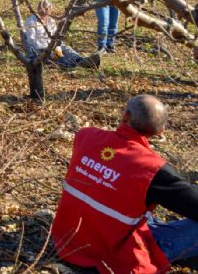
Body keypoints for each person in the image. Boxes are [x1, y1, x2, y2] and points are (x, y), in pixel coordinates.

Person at [50, 95, 198, 272]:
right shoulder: (152, 169)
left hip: (66, 242)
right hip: (114, 255)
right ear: (161, 131)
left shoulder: (85, 136)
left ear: (125, 116)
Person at [23, 0, 101, 69]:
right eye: (41, 8)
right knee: (58, 57)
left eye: (46, 8)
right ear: (37, 9)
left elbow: (56, 36)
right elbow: (31, 41)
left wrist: (57, 46)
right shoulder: (31, 22)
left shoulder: (51, 21)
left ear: (50, 9)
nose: (43, 10)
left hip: (52, 46)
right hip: (40, 51)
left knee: (66, 49)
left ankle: (81, 60)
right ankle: (78, 65)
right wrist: (48, 49)